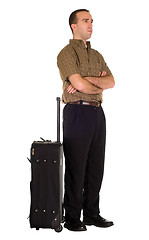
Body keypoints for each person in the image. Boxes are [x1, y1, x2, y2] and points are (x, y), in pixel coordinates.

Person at [57, 9, 115, 232]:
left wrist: (85, 81)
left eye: (91, 21)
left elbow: (111, 82)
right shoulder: (66, 54)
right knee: (76, 166)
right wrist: (92, 84)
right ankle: (72, 216)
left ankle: (91, 213)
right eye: (85, 21)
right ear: (74, 26)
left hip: (97, 113)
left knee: (95, 166)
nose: (90, 25)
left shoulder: (97, 55)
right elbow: (78, 85)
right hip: (76, 112)